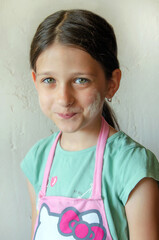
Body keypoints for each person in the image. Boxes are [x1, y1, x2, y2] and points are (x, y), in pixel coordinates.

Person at [21, 9, 159, 240]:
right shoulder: (36, 160)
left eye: (80, 80)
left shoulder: (131, 166)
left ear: (111, 83)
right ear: (36, 82)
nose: (64, 98)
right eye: (49, 80)